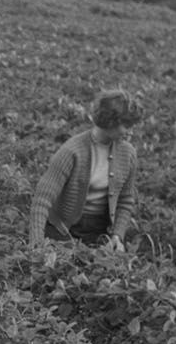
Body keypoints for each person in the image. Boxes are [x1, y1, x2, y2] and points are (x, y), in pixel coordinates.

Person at [28, 90, 143, 250]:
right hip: (62, 229)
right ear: (110, 121)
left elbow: (125, 200)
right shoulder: (72, 151)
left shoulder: (128, 154)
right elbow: (42, 199)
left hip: (99, 231)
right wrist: (36, 243)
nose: (131, 132)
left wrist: (117, 235)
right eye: (127, 126)